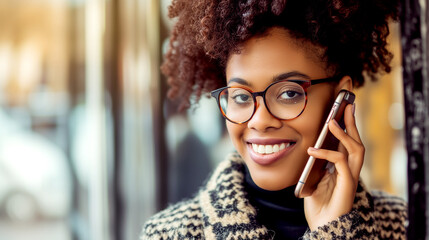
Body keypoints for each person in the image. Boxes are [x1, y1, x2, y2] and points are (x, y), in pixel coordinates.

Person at [141, 0, 407, 239]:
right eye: (241, 97)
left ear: (340, 98)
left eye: (289, 93)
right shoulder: (169, 233)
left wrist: (336, 229)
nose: (259, 121)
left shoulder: (402, 226)